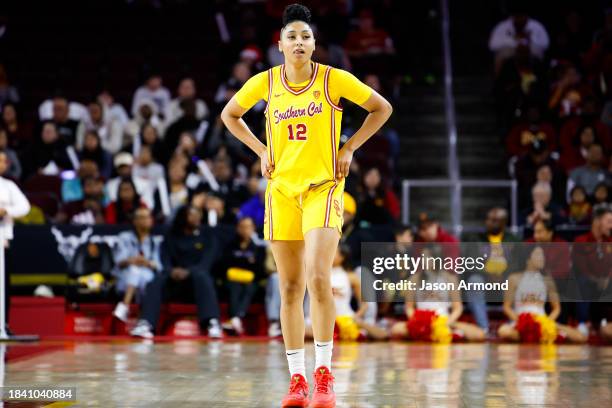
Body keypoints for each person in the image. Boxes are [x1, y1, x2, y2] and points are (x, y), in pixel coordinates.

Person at [220, 4, 392, 407]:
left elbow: (381, 108)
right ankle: (297, 380)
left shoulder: (333, 80)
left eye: (306, 37)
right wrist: (260, 149)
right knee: (291, 286)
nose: (299, 42)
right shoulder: (266, 83)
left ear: (315, 45)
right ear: (280, 44)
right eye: (292, 36)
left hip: (324, 187)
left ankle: (324, 374)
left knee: (318, 278)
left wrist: (349, 147)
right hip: (281, 191)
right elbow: (230, 115)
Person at [130, 205, 223, 339]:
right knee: (156, 280)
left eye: (198, 214)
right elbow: (164, 259)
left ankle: (212, 322)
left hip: (196, 284)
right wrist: (171, 271)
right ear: (183, 217)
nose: (196, 217)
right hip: (174, 282)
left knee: (202, 276)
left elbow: (206, 263)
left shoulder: (208, 237)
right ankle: (146, 323)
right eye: (192, 214)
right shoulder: (171, 237)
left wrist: (188, 271)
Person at [390, 246, 486, 342]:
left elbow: (458, 308)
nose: (424, 260)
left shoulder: (450, 278)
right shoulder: (415, 278)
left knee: (479, 334)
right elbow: (409, 307)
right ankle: (431, 333)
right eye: (423, 257)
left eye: (428, 257)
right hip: (421, 319)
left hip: (443, 320)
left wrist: (447, 322)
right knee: (396, 329)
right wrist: (417, 321)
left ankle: (440, 333)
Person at [497, 246, 586, 343]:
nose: (542, 258)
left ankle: (537, 336)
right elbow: (506, 307)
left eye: (542, 255)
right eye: (538, 255)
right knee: (504, 331)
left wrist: (547, 322)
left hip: (542, 321)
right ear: (528, 259)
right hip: (520, 321)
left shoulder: (548, 280)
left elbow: (557, 308)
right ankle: (537, 337)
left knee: (579, 337)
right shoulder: (513, 278)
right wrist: (521, 322)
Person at [305, 245, 388, 340]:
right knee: (301, 330)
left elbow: (364, 304)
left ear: (342, 257)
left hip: (344, 318)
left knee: (380, 334)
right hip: (320, 319)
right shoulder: (316, 275)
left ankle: (333, 334)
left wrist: (356, 317)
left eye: (333, 252)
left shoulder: (351, 277)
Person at [112, 207, 162, 324]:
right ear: (134, 221)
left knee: (146, 277)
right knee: (134, 271)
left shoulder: (155, 241)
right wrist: (133, 260)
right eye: (142, 217)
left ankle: (124, 306)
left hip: (145, 275)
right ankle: (142, 320)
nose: (146, 220)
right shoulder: (124, 237)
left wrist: (146, 262)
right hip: (125, 277)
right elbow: (119, 261)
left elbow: (158, 265)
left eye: (148, 217)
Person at [0, 149, 30, 332]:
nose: (2, 164)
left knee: (3, 285)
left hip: (3, 240)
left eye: (4, 161)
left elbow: (25, 207)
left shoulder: (8, 186)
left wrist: (6, 211)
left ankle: (4, 323)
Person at [220, 217, 265, 335]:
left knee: (250, 287)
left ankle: (236, 318)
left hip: (251, 281)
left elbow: (260, 270)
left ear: (254, 229)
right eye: (242, 227)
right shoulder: (229, 246)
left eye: (248, 227)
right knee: (235, 287)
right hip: (231, 280)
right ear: (237, 228)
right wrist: (247, 263)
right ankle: (237, 318)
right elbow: (224, 264)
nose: (245, 230)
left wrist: (242, 264)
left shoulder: (258, 248)